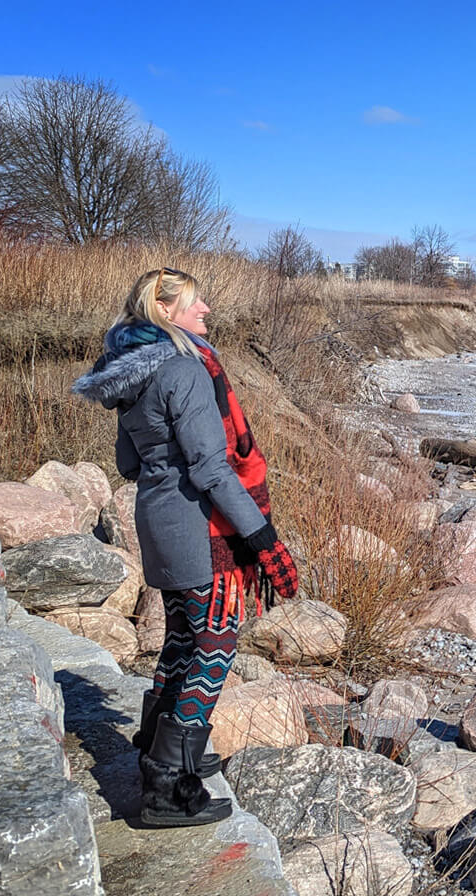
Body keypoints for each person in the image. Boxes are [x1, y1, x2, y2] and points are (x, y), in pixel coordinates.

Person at [73, 267, 298, 827]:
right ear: (167, 311)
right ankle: (168, 786)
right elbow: (212, 470)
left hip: (156, 517)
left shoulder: (129, 374)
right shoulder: (185, 368)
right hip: (198, 525)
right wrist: (263, 538)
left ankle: (159, 746)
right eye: (197, 305)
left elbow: (128, 463)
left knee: (181, 635)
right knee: (216, 643)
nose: (206, 314)